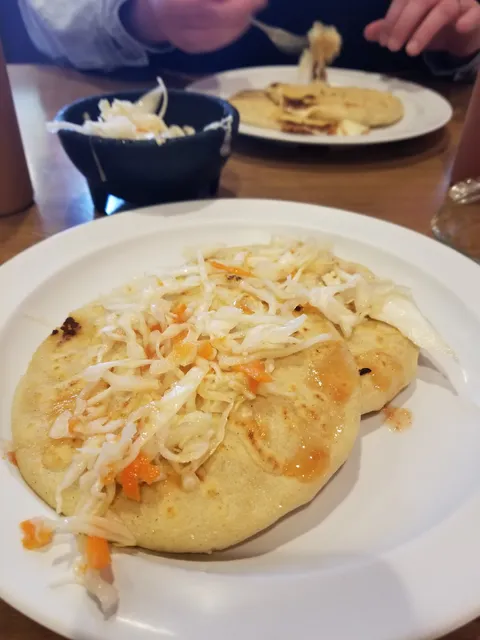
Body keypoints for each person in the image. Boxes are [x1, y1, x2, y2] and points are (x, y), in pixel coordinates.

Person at [19, 0, 480, 79]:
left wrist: (468, 38)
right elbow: (46, 15)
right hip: (173, 137)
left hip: (419, 155)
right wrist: (139, 15)